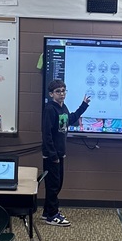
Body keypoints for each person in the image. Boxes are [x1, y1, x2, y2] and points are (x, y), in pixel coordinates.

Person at [41, 80, 90, 226]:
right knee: (53, 185)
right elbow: (47, 134)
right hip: (52, 155)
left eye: (63, 91)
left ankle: (47, 212)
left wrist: (84, 105)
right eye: (58, 91)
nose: (62, 94)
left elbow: (70, 119)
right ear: (51, 94)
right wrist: (53, 155)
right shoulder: (50, 109)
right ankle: (52, 216)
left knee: (57, 184)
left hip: (60, 153)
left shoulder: (63, 108)